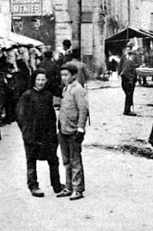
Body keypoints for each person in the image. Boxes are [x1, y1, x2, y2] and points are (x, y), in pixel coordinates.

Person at [16, 70, 64, 197]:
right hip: (32, 134)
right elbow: (20, 116)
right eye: (38, 79)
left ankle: (57, 185)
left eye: (43, 80)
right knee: (31, 161)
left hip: (47, 134)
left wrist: (54, 133)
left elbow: (52, 115)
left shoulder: (48, 95)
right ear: (34, 80)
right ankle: (33, 186)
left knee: (53, 160)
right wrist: (27, 132)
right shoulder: (27, 95)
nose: (41, 82)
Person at [57, 63, 89, 201]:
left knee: (75, 160)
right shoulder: (66, 88)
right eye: (62, 75)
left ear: (74, 75)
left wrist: (80, 129)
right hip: (63, 129)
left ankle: (77, 188)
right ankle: (68, 186)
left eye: (66, 75)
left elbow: (83, 110)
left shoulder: (78, 89)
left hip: (74, 130)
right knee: (66, 160)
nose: (63, 78)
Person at [120, 50, 138, 116]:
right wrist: (130, 79)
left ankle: (128, 110)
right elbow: (125, 72)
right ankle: (127, 111)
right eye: (133, 55)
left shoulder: (130, 62)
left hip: (129, 81)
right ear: (130, 55)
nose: (134, 57)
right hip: (127, 82)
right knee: (129, 96)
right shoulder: (128, 62)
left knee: (129, 96)